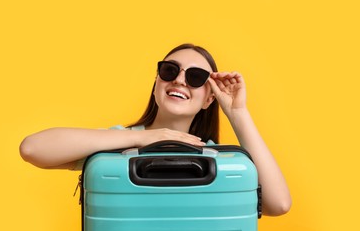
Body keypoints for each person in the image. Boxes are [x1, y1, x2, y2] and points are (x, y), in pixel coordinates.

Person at [20, 43, 291, 216]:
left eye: (196, 77)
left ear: (210, 98)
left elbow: (278, 204)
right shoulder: (117, 146)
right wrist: (147, 137)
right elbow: (32, 148)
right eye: (170, 70)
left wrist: (237, 113)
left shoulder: (219, 160)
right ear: (157, 82)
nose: (180, 80)